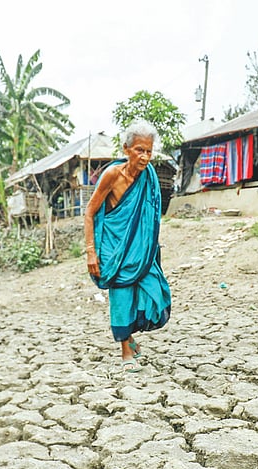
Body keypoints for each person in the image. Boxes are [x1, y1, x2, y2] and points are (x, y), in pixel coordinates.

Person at [83, 121, 172, 372]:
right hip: (114, 248)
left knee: (156, 293)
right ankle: (125, 350)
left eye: (149, 151)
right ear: (126, 149)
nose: (145, 157)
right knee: (121, 296)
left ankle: (130, 338)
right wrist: (91, 251)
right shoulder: (112, 175)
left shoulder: (149, 176)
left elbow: (151, 215)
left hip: (141, 249)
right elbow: (89, 212)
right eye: (139, 150)